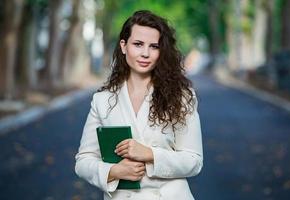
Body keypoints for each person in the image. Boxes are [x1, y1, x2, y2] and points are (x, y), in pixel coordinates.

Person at [75, 10, 203, 200]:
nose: (145, 53)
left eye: (154, 46)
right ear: (124, 46)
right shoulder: (103, 100)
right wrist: (114, 171)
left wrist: (150, 154)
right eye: (138, 44)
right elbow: (83, 161)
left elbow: (194, 161)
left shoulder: (181, 96)